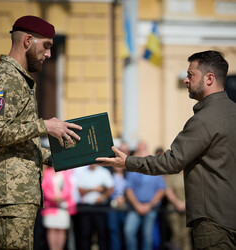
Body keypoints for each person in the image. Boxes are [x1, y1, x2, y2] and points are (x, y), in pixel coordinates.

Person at [96, 50, 236, 249]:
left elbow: (171, 161)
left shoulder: (204, 119)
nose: (186, 80)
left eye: (190, 74)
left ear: (210, 78)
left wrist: (127, 162)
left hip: (214, 220)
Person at [0, 15, 82, 249]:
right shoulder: (6, 78)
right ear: (28, 40)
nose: (49, 54)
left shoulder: (20, 79)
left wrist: (74, 157)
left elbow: (21, 146)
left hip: (19, 196)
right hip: (10, 196)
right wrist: (45, 126)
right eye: (46, 46)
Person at [124, 141, 166, 250]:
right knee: (129, 231)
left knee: (147, 235)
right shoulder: (132, 170)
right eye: (140, 151)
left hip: (150, 208)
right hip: (135, 207)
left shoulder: (155, 169)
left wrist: (149, 206)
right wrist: (137, 205)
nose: (142, 154)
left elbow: (161, 190)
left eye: (144, 150)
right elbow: (129, 190)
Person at [77, 164, 114, 250]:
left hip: (99, 208)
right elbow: (80, 190)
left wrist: (103, 197)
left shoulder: (104, 172)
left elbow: (111, 187)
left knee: (102, 234)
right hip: (86, 207)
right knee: (85, 234)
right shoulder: (83, 173)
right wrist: (95, 189)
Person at [41, 166, 77, 250]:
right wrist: (52, 198)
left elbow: (69, 187)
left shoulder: (66, 172)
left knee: (62, 230)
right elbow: (44, 187)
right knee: (51, 230)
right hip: (50, 206)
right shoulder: (47, 172)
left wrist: (61, 197)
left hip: (63, 207)